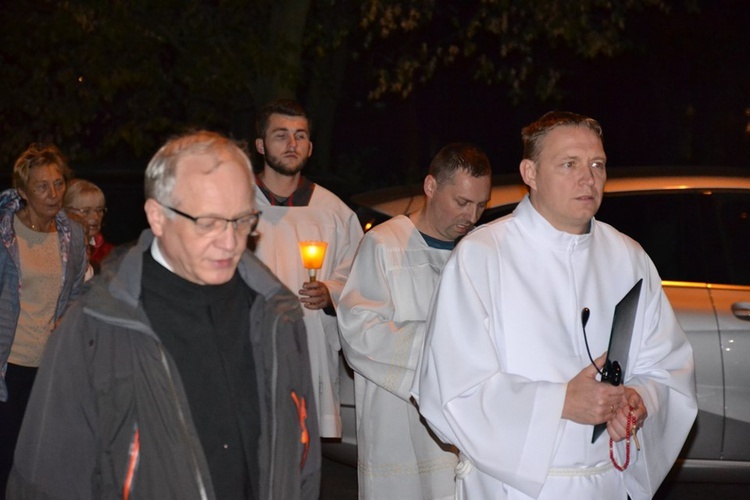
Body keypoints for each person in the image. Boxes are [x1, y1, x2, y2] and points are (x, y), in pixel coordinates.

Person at [7, 131, 320, 499]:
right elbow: (48, 481)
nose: (230, 241)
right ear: (157, 216)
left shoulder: (276, 316)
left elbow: (303, 461)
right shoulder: (96, 327)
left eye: (242, 220)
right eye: (208, 222)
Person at [413, 111, 698, 500]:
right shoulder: (483, 256)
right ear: (530, 173)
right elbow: (451, 390)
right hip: (513, 486)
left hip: (605, 481)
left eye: (597, 164)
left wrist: (640, 399)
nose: (589, 178)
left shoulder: (628, 256)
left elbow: (667, 364)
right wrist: (559, 402)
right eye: (569, 164)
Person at [338, 143, 492, 499]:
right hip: (401, 424)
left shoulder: (480, 253)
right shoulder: (384, 244)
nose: (472, 216)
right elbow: (360, 333)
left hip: (468, 426)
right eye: (462, 202)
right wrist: (445, 345)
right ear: (430, 186)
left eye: (481, 205)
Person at [252, 98, 363, 438]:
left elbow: (361, 277)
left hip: (310, 347)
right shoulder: (236, 204)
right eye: (281, 135)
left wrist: (330, 291)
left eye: (300, 136)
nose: (292, 144)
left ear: (310, 147)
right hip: (252, 345)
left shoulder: (333, 212)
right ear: (260, 145)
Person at [0, 143, 87, 498]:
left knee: (42, 465)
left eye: (58, 184)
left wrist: (67, 319)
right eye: (41, 186)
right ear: (22, 191)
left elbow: (79, 291)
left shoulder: (73, 235)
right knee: (5, 462)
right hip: (9, 367)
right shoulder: (5, 235)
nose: (53, 194)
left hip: (50, 368)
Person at [64, 178, 115, 274]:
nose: (95, 217)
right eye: (86, 211)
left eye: (99, 210)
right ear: (66, 213)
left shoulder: (111, 253)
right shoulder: (54, 249)